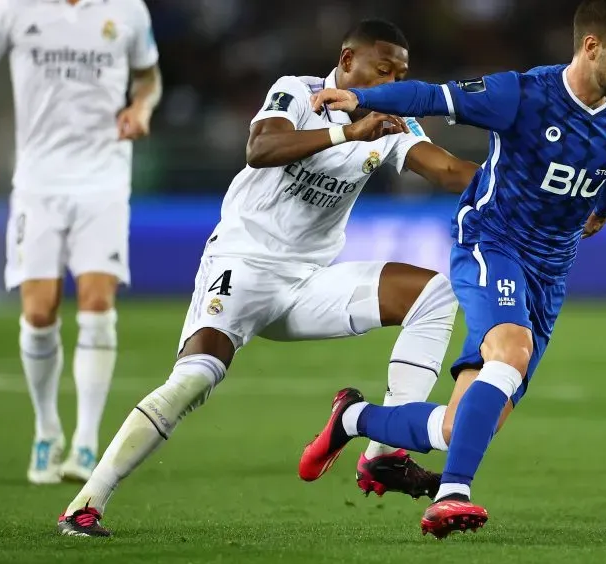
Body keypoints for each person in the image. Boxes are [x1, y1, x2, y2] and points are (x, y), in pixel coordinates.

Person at [57, 19, 482, 537]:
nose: (392, 80)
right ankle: (87, 502)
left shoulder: (393, 120)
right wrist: (349, 131)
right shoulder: (297, 92)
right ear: (348, 63)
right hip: (242, 264)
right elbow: (260, 147)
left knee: (433, 293)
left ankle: (384, 455)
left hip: (308, 282)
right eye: (383, 68)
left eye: (401, 73)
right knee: (194, 379)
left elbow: (449, 171)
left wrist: (536, 189)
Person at [299, 0, 606, 539]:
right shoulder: (524, 95)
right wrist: (361, 97)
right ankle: (452, 496)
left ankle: (352, 419)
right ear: (591, 47)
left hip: (552, 270)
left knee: (460, 425)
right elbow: (430, 96)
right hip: (493, 243)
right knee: (511, 352)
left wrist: (603, 210)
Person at [0, 0, 162, 484]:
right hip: (38, 184)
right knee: (39, 310)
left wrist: (141, 106)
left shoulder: (128, 10)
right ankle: (46, 428)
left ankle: (87, 442)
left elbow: (149, 78)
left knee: (96, 299)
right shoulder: (10, 9)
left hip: (104, 178)